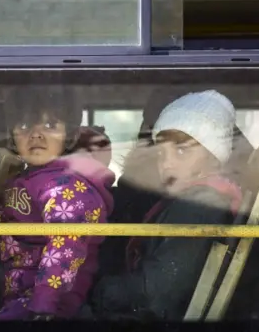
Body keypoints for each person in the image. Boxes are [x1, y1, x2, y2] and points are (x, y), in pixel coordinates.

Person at [91, 90, 242, 320]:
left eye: (181, 150)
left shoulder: (199, 206)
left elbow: (157, 291)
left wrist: (99, 291)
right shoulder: (189, 201)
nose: (166, 163)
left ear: (214, 157)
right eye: (161, 152)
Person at [0, 86, 115, 321]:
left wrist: (44, 304)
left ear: (69, 136)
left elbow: (65, 247)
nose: (36, 134)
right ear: (11, 134)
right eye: (24, 126)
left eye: (50, 125)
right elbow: (1, 224)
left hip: (47, 302)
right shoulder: (23, 179)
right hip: (16, 289)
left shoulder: (66, 186)